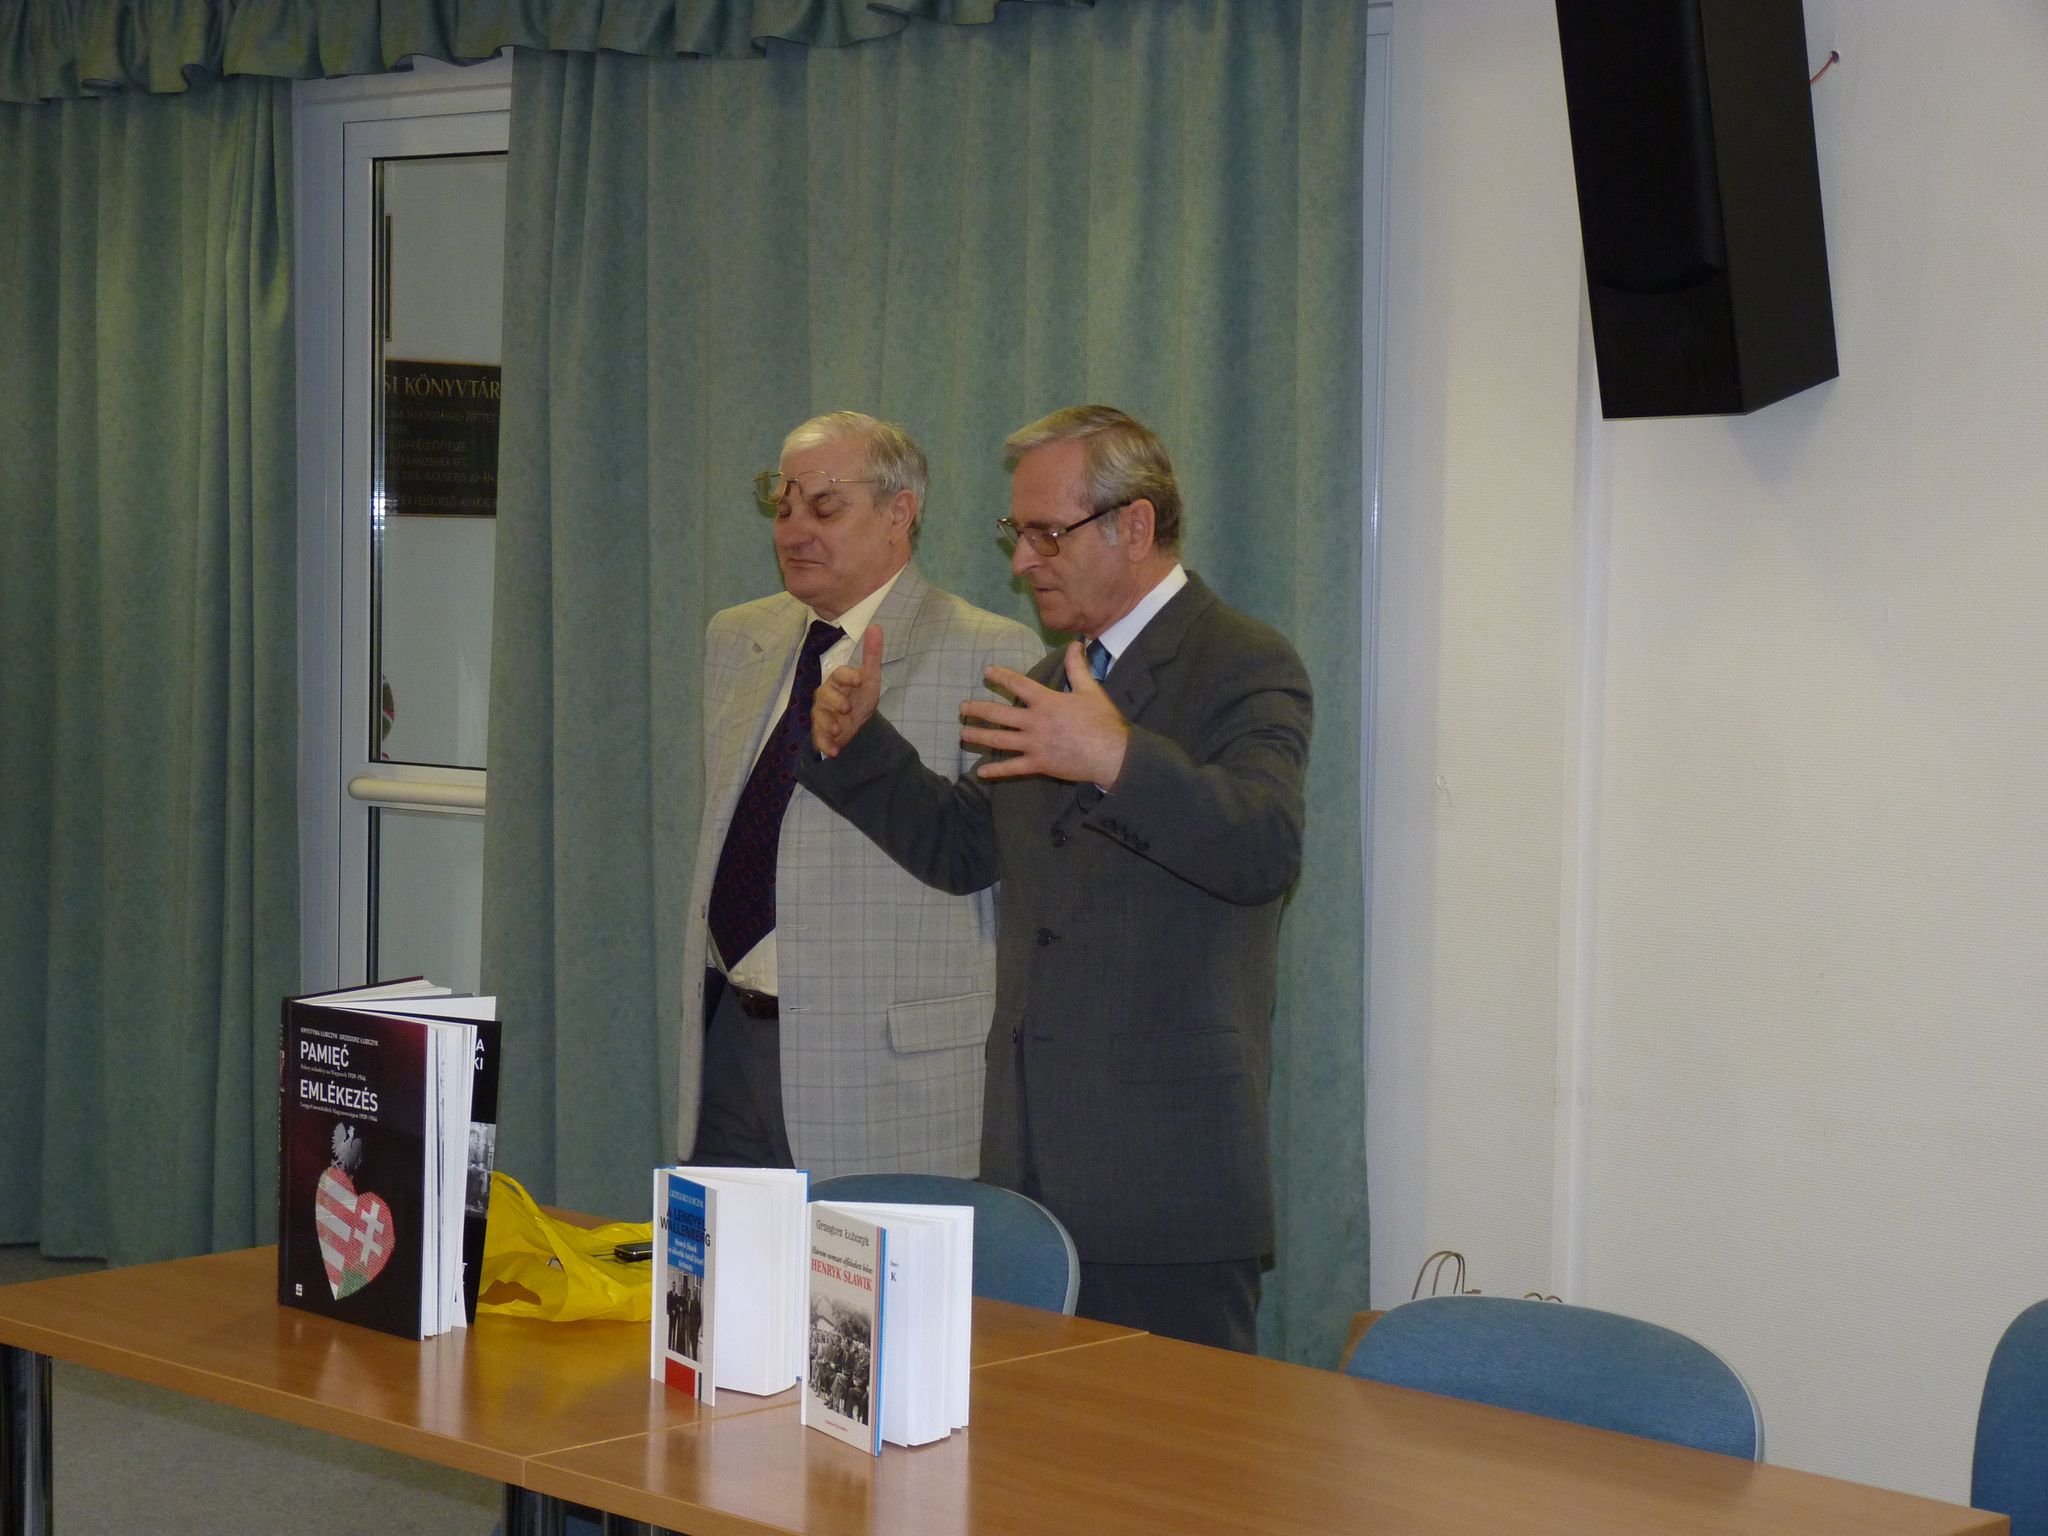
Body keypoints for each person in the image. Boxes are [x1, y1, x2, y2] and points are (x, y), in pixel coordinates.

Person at [801, 405, 1311, 1351]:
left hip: (1166, 1182)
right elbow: (964, 849)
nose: (1024, 562)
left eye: (1047, 533)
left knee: (1167, 1444)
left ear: (1134, 526)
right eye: (1017, 533)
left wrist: (1118, 759)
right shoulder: (1053, 674)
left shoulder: (1242, 660)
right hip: (1028, 1171)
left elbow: (1264, 847)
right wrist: (860, 746)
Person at [678, 411, 1041, 1179]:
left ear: (899, 512)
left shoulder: (991, 651)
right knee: (718, 1260)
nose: (794, 530)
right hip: (730, 1044)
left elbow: (986, 859)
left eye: (824, 507)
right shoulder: (736, 638)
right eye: (783, 506)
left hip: (885, 1079)